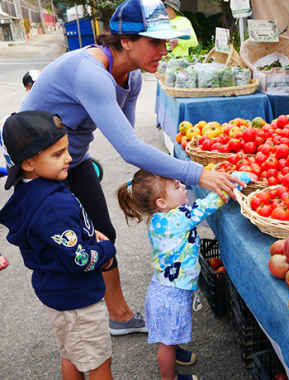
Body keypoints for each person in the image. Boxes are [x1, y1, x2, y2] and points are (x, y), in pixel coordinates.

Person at [19, 0, 245, 335]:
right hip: (35, 170)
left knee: (103, 234)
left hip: (72, 162)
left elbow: (126, 143)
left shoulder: (132, 77)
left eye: (165, 42)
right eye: (155, 42)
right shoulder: (91, 73)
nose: (164, 50)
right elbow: (130, 148)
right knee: (62, 248)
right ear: (125, 41)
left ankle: (117, 316)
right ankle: (80, 329)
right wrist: (199, 174)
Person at [0, 111, 117, 379]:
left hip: (59, 295)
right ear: (28, 163)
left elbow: (61, 236)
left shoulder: (33, 191)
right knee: (99, 363)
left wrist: (87, 234)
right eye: (57, 154)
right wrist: (106, 250)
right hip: (78, 300)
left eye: (66, 150)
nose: (69, 158)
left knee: (72, 355)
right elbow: (80, 259)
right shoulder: (53, 205)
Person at [117, 169, 252, 380]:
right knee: (166, 343)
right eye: (177, 187)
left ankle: (174, 350)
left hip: (164, 288)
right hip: (172, 294)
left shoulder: (159, 219)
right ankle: (169, 377)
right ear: (161, 202)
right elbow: (206, 205)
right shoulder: (177, 219)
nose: (183, 188)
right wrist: (235, 181)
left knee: (169, 335)